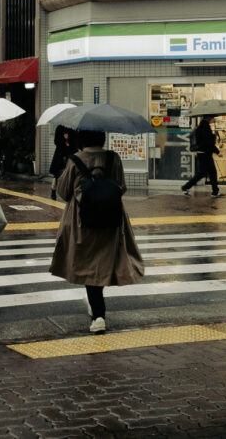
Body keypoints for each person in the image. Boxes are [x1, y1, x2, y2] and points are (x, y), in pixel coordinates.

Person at [49, 130, 145, 333]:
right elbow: (122, 188)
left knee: (88, 264)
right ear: (102, 138)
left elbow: (64, 192)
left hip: (81, 220)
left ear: (81, 139)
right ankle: (96, 307)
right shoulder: (113, 158)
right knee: (101, 261)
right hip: (111, 218)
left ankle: (99, 315)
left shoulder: (76, 160)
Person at [181, 113, 223, 197]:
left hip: (203, 153)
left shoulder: (203, 126)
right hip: (205, 153)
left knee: (211, 172)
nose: (212, 118)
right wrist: (217, 151)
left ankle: (215, 191)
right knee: (203, 173)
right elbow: (208, 142)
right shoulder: (205, 127)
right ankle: (186, 187)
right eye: (212, 117)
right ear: (208, 117)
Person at [48, 125, 73, 200]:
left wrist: (69, 140)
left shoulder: (72, 129)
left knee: (70, 174)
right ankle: (53, 191)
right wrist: (64, 140)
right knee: (57, 175)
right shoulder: (59, 128)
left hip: (70, 154)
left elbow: (75, 142)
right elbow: (56, 142)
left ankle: (69, 193)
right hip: (60, 155)